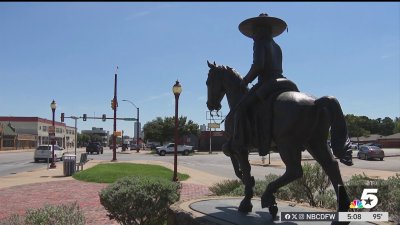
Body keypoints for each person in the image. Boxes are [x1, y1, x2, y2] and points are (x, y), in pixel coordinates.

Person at [232, 13, 288, 156]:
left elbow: (258, 66)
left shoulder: (259, 42)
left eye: (254, 31)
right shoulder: (277, 46)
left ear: (259, 30)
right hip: (282, 81)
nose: (253, 35)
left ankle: (243, 141)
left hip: (267, 83)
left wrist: (245, 81)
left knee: (241, 108)